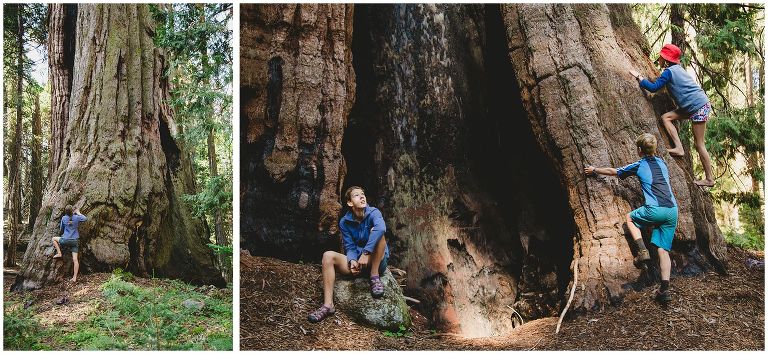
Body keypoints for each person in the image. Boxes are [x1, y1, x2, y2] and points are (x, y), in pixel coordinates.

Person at [584, 133, 678, 304]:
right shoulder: (663, 163)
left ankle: (642, 250)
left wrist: (594, 170)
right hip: (672, 211)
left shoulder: (640, 164)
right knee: (663, 250)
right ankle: (664, 290)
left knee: (630, 218)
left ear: (639, 150)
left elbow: (615, 171)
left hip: (655, 210)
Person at [629, 43, 715, 187]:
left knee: (699, 144)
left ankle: (710, 179)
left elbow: (653, 88)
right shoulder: (677, 69)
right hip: (694, 105)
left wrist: (639, 77)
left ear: (666, 59)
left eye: (661, 57)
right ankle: (679, 148)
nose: (659, 59)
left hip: (698, 106)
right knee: (666, 117)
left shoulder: (668, 72)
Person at [307, 186, 390, 323]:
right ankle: (328, 305)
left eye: (363, 194)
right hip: (358, 263)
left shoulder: (374, 213)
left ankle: (374, 277)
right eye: (357, 195)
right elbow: (349, 246)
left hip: (376, 261)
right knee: (328, 256)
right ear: (350, 203)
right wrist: (352, 261)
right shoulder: (344, 222)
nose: (362, 197)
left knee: (378, 231)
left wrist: (366, 253)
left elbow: (381, 228)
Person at [52, 205, 87, 282]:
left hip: (65, 240)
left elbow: (61, 229)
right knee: (75, 260)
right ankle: (74, 278)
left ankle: (59, 253)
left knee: (53, 239)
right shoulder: (76, 217)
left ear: (66, 212)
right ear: (72, 211)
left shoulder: (64, 218)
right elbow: (85, 218)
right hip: (74, 241)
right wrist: (78, 212)